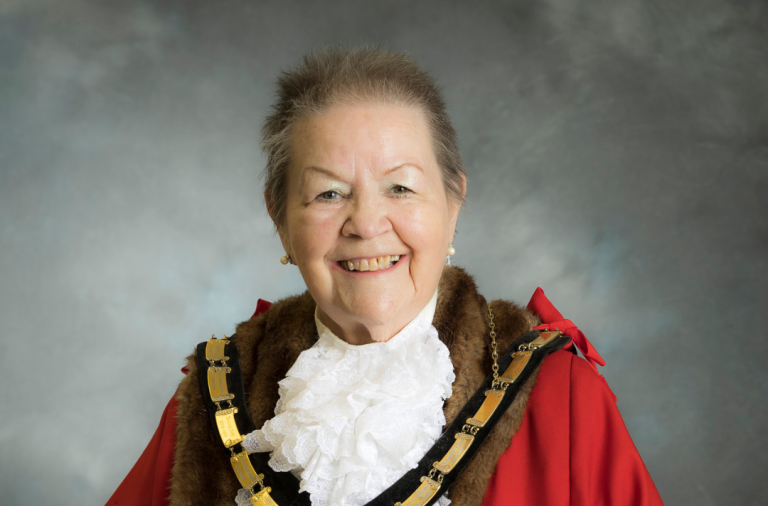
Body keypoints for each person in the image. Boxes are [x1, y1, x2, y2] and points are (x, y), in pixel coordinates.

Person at [107, 46, 663, 506]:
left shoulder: (563, 397)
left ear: (453, 203)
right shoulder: (213, 398)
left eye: (400, 187)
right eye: (328, 193)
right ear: (281, 220)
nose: (367, 224)